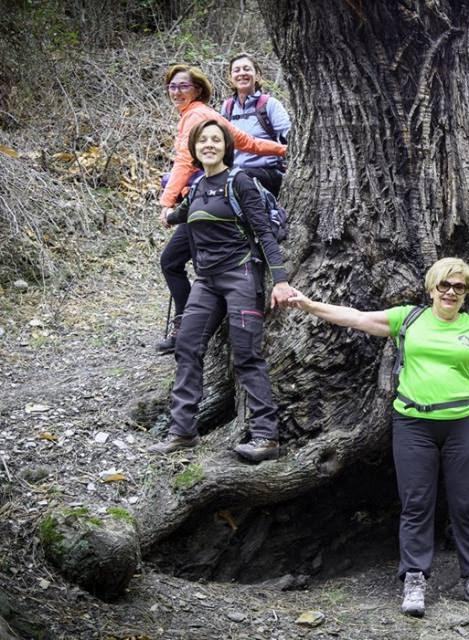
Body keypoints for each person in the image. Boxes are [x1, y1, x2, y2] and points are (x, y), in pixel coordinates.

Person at [282, 257, 469, 618]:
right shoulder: (408, 318)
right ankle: (415, 578)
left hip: (463, 423)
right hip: (413, 423)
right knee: (416, 502)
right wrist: (307, 304)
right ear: (431, 288)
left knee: (466, 504)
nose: (450, 292)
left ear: (466, 293)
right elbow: (355, 316)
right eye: (444, 285)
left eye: (458, 287)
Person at [147, 120, 293, 463]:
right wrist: (168, 214)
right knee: (186, 346)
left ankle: (266, 437)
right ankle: (182, 431)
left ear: (226, 146)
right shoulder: (197, 187)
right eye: (203, 140)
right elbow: (183, 214)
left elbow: (264, 232)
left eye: (216, 139)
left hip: (241, 275)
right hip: (207, 281)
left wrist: (281, 279)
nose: (209, 144)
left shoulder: (239, 180)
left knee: (246, 355)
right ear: (195, 148)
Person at [156, 64, 287, 355]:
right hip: (209, 203)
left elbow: (183, 162)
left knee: (173, 262)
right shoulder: (210, 115)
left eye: (183, 86)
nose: (176, 92)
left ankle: (187, 326)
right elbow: (248, 143)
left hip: (203, 205)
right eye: (172, 87)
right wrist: (283, 151)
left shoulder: (196, 118)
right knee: (190, 264)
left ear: (198, 89)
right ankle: (191, 325)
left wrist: (166, 205)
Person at [221, 52, 291, 197]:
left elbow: (289, 137)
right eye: (237, 70)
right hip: (235, 171)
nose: (242, 74)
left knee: (239, 178)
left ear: (257, 75)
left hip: (267, 172)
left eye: (247, 69)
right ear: (230, 78)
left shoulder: (270, 104)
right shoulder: (227, 107)